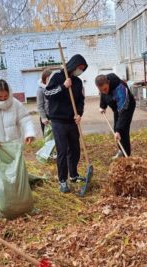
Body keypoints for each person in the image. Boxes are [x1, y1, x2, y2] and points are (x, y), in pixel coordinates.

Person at [44, 54, 87, 193]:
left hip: (72, 121)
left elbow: (81, 100)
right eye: (79, 68)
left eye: (82, 69)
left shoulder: (78, 82)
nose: (80, 70)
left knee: (74, 149)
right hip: (58, 121)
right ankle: (62, 180)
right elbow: (48, 93)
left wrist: (79, 114)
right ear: (73, 65)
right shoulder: (57, 77)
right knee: (62, 151)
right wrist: (63, 86)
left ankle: (73, 175)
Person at [96, 73, 136, 158]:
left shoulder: (119, 88)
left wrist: (119, 129)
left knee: (123, 130)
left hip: (127, 107)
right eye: (101, 90)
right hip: (117, 107)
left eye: (105, 89)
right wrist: (102, 106)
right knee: (116, 130)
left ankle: (126, 155)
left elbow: (123, 111)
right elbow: (103, 95)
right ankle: (121, 150)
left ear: (108, 82)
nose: (104, 91)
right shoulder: (104, 87)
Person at [36, 69, 52, 133]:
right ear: (45, 78)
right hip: (46, 117)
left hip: (55, 117)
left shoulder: (54, 88)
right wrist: (44, 118)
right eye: (49, 78)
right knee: (49, 139)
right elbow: (40, 106)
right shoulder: (40, 90)